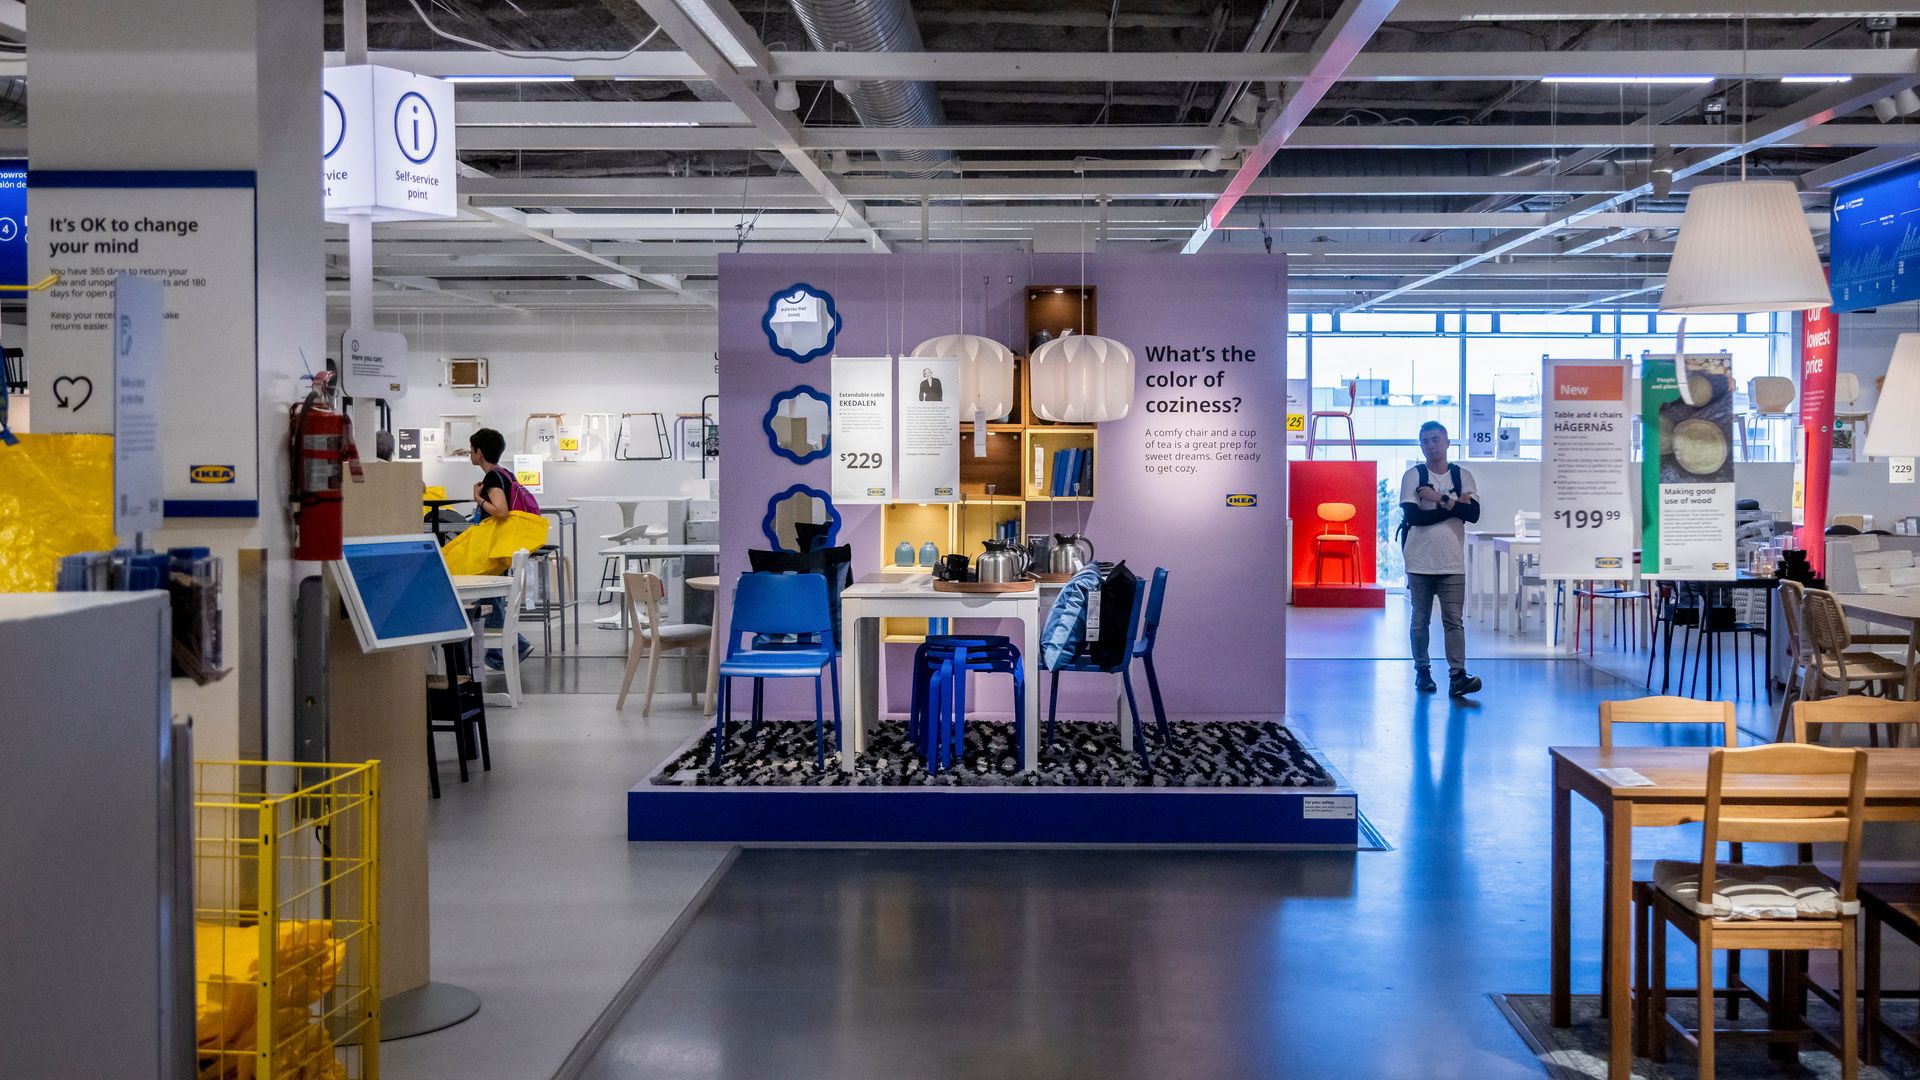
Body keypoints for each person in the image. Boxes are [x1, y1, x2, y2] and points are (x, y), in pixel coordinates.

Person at [1398, 420, 1482, 697]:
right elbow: (1415, 517)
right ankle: (1422, 672)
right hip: (1419, 561)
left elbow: (1473, 515)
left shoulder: (1462, 476)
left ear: (1447, 442)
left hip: (1452, 562)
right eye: (1425, 441)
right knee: (1420, 619)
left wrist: (1439, 499)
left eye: (1435, 440)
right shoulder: (1413, 476)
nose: (1431, 446)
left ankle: (1458, 676)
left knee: (1453, 621)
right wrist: (1454, 506)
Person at [467, 427, 538, 669]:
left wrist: (478, 499)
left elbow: (501, 511)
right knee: (491, 598)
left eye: (471, 450)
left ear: (479, 452)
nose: (469, 454)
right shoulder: (506, 474)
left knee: (489, 595)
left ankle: (514, 646)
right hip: (506, 544)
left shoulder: (492, 478)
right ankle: (501, 653)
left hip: (497, 546)